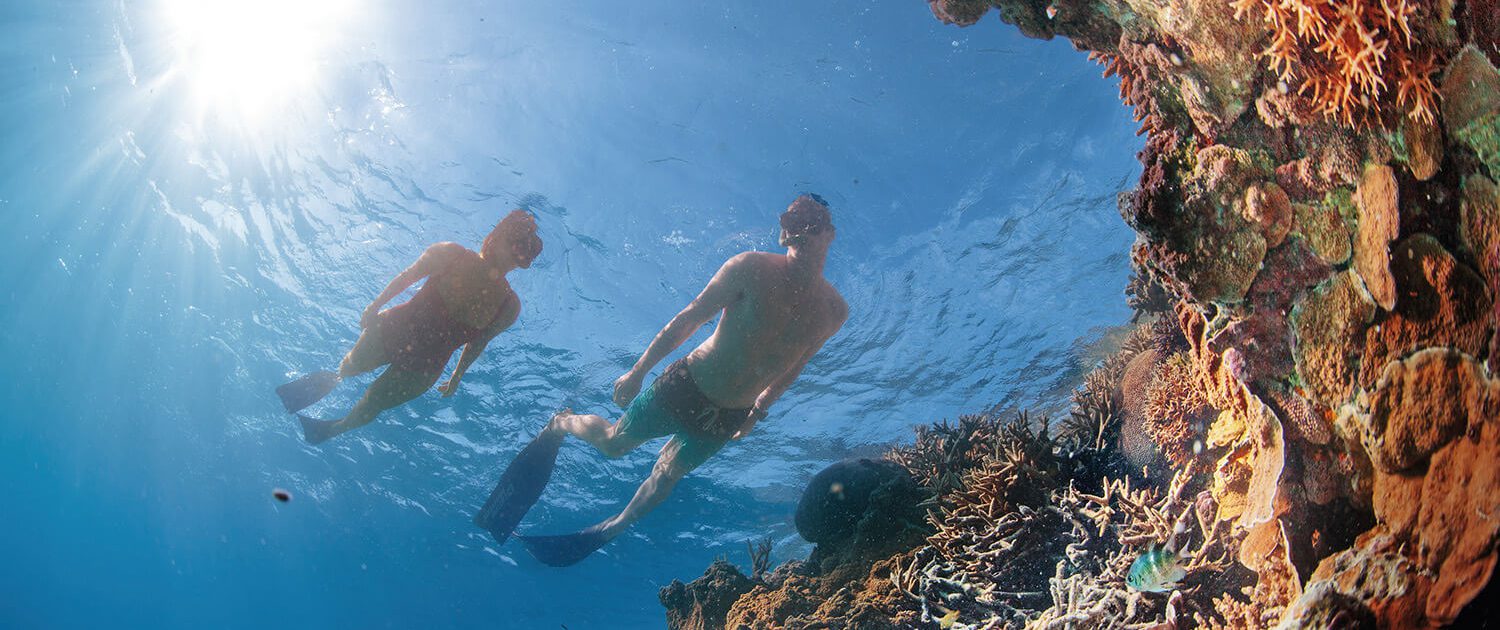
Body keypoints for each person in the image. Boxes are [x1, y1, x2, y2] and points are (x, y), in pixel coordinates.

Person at [475, 194, 847, 566]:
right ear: (782, 231)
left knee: (669, 473)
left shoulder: (833, 311)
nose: (799, 229)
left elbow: (795, 366)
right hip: (684, 386)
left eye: (811, 222)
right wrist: (637, 371)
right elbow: (689, 318)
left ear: (829, 233)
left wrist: (757, 412)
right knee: (614, 444)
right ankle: (562, 422)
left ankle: (615, 526)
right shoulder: (749, 266)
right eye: (791, 219)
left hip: (729, 415)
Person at [276, 210, 542, 445]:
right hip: (394, 330)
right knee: (350, 367)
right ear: (497, 235)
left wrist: (457, 376)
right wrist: (374, 305)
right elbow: (408, 276)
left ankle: (330, 430)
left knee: (373, 402)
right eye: (519, 243)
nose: (521, 254)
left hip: (424, 368)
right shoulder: (451, 253)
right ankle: (331, 380)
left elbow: (479, 342)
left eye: (529, 251)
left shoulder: (509, 307)